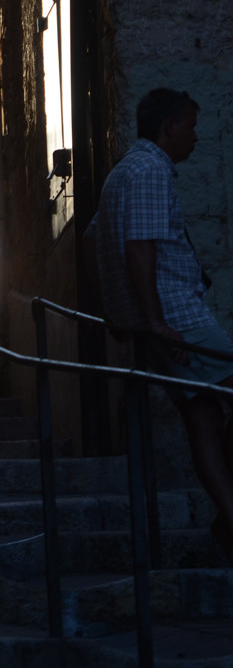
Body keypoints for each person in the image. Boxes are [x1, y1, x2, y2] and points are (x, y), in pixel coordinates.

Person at [88, 87, 233, 557]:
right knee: (214, 406)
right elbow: (138, 247)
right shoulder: (150, 170)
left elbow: (96, 242)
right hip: (178, 316)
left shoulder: (123, 171)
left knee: (203, 417)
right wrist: (154, 320)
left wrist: (120, 312)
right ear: (169, 125)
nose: (196, 136)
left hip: (157, 318)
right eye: (190, 125)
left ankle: (231, 519)